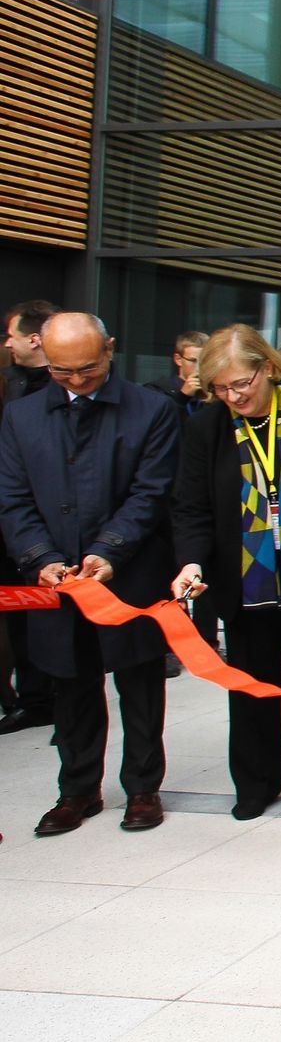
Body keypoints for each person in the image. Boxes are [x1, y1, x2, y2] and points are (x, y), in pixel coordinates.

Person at [0, 312, 180, 834]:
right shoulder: (21, 415)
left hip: (128, 573)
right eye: (62, 371)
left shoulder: (152, 409)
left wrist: (108, 550)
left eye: (87, 368)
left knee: (140, 683)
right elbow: (11, 497)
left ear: (109, 349)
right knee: (71, 684)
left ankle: (143, 788)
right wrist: (39, 558)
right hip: (55, 577)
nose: (77, 380)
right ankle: (77, 790)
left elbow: (151, 493)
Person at [169, 325, 281, 821]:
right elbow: (191, 507)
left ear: (268, 368)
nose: (233, 396)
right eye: (221, 388)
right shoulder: (206, 426)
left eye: (242, 383)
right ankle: (256, 782)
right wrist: (192, 561)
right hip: (245, 577)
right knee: (249, 685)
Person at [1, 299, 60, 736]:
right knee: (22, 613)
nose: (8, 344)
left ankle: (54, 697)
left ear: (35, 338)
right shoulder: (14, 386)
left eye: (13, 335)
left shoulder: (51, 392)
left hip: (53, 532)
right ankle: (34, 697)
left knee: (50, 616)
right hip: (17, 533)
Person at [146, 330, 209, 415]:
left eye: (204, 361)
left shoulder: (215, 390)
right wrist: (182, 397)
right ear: (178, 359)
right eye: (193, 360)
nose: (199, 367)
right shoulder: (157, 390)